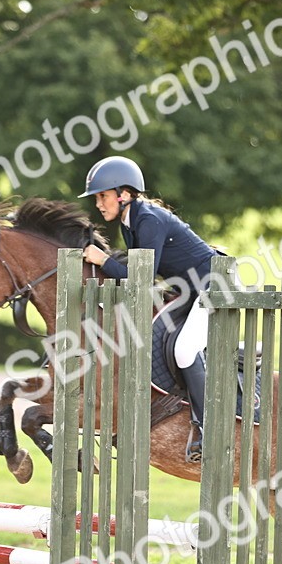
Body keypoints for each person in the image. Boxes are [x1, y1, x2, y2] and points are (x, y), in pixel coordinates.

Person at [79, 156, 218, 463]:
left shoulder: (147, 219)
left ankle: (208, 428)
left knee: (183, 350)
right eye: (97, 198)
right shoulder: (131, 223)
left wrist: (102, 260)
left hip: (212, 285)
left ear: (124, 194)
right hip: (187, 290)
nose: (99, 204)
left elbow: (140, 279)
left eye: (102, 196)